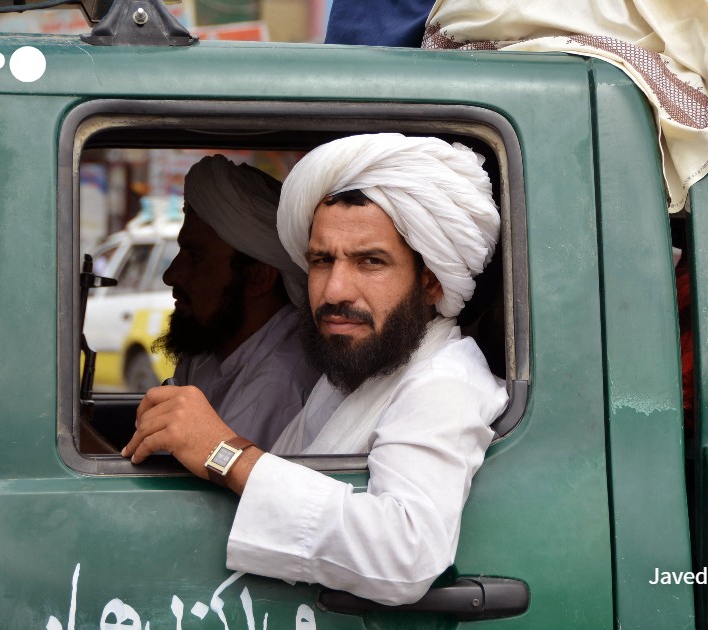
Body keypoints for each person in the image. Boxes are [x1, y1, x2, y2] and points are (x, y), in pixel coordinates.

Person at [122, 134, 509, 605]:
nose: (334, 290)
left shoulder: (444, 383)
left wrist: (226, 455)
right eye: (322, 261)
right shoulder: (354, 373)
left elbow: (406, 551)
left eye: (370, 262)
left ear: (430, 282)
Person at [158, 155, 319, 449]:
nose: (171, 275)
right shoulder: (211, 346)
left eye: (196, 258)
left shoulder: (279, 382)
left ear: (258, 277)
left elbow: (212, 473)